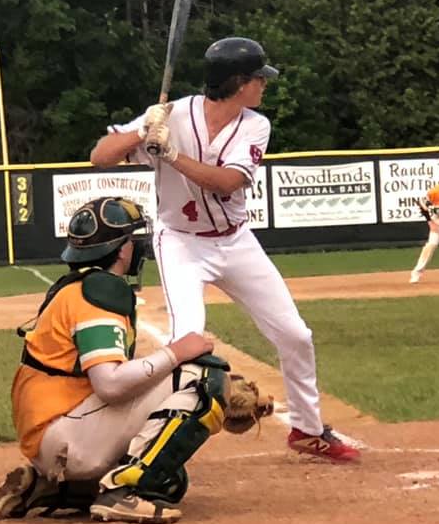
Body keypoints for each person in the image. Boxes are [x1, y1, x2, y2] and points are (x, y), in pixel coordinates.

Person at [87, 36, 359, 463]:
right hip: (180, 242)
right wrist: (142, 130)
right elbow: (99, 156)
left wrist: (170, 154)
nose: (263, 85)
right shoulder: (172, 114)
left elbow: (227, 182)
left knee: (295, 334)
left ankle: (307, 430)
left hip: (235, 241)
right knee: (187, 340)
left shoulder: (255, 124)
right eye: (257, 78)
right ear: (237, 82)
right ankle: (152, 446)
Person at [0, 197, 228, 524]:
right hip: (65, 433)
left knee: (170, 482)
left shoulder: (78, 288)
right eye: (133, 239)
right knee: (203, 377)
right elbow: (110, 384)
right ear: (122, 249)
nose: (138, 246)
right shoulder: (99, 294)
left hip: (54, 428)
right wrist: (176, 354)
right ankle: (124, 493)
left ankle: (52, 489)